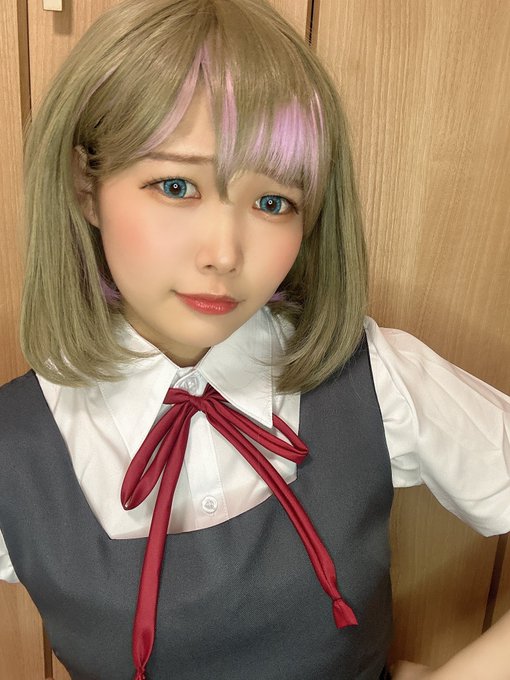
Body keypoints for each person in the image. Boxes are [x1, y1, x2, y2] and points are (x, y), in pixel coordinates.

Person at [0, 0, 508, 678]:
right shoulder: (15, 447)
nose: (224, 254)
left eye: (273, 202)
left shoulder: (372, 377)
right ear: (86, 187)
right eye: (176, 186)